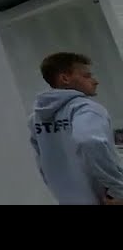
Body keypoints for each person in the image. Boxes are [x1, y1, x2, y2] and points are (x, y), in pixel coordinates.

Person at [28, 51, 123, 205]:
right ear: (65, 78)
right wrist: (119, 190)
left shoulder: (36, 119)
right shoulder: (86, 109)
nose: (95, 81)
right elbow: (90, 141)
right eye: (87, 76)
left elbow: (42, 164)